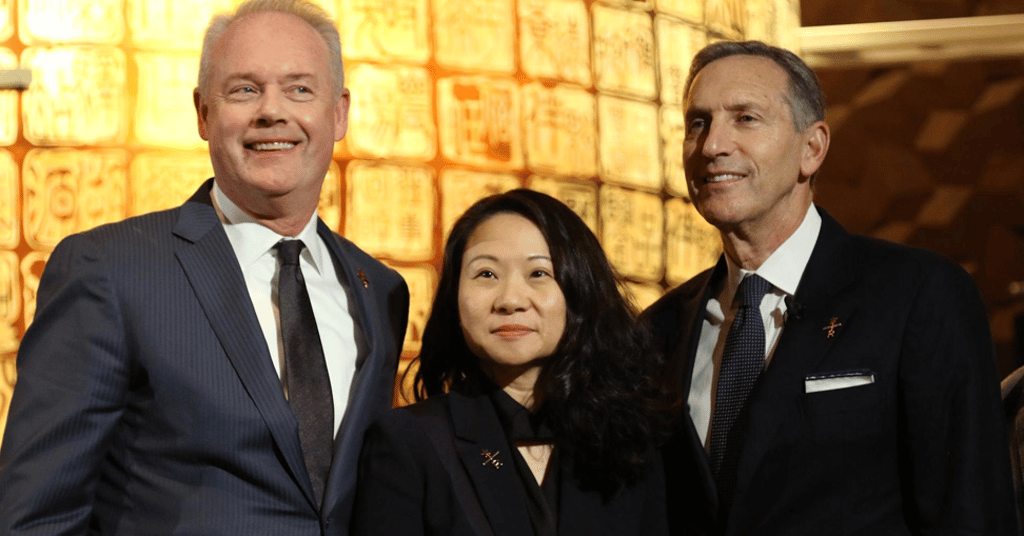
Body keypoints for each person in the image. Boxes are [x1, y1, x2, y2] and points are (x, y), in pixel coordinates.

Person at [0, 0, 409, 534]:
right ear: (202, 113)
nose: (272, 111)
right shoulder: (110, 270)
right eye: (244, 89)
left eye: (299, 89)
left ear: (339, 114)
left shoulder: (379, 289)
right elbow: (37, 514)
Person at [642, 40, 1017, 535]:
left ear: (812, 148)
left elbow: (971, 512)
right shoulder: (656, 331)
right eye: (698, 123)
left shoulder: (919, 296)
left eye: (746, 119)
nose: (713, 145)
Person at [352, 189, 670, 536]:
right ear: (454, 296)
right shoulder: (409, 443)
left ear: (580, 288)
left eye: (538, 274)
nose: (510, 300)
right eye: (486, 274)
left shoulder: (629, 441)